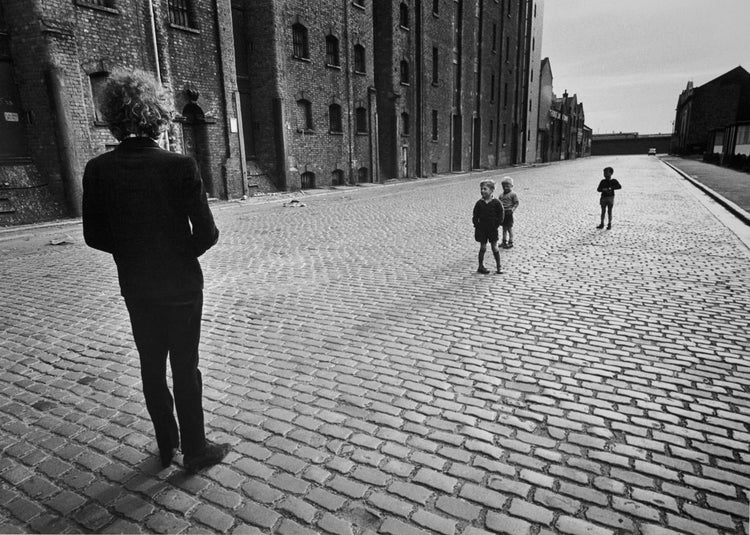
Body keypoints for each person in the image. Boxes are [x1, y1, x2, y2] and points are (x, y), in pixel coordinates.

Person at [82, 68, 229, 473]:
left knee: (151, 366)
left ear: (113, 114)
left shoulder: (98, 169)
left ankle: (168, 447)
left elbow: (94, 236)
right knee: (186, 367)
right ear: (157, 115)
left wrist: (133, 251)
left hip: (138, 287)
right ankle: (196, 449)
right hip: (181, 286)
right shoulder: (180, 165)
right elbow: (208, 233)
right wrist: (179, 253)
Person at [472, 179, 505, 274]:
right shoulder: (479, 203)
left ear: (491, 190)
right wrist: (476, 225)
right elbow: (475, 215)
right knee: (482, 247)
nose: (482, 191)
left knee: (494, 247)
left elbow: (501, 215)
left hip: (492, 229)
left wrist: (497, 225)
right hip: (482, 229)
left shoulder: (496, 203)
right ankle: (480, 266)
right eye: (481, 189)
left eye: (485, 189)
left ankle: (499, 266)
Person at [498, 176, 519, 248]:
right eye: (503, 186)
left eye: (507, 186)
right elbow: (499, 204)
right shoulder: (501, 195)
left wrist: (512, 210)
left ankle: (510, 241)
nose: (505, 188)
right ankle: (504, 241)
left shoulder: (513, 194)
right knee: (504, 228)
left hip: (509, 213)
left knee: (509, 228)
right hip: (503, 213)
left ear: (511, 186)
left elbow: (516, 203)